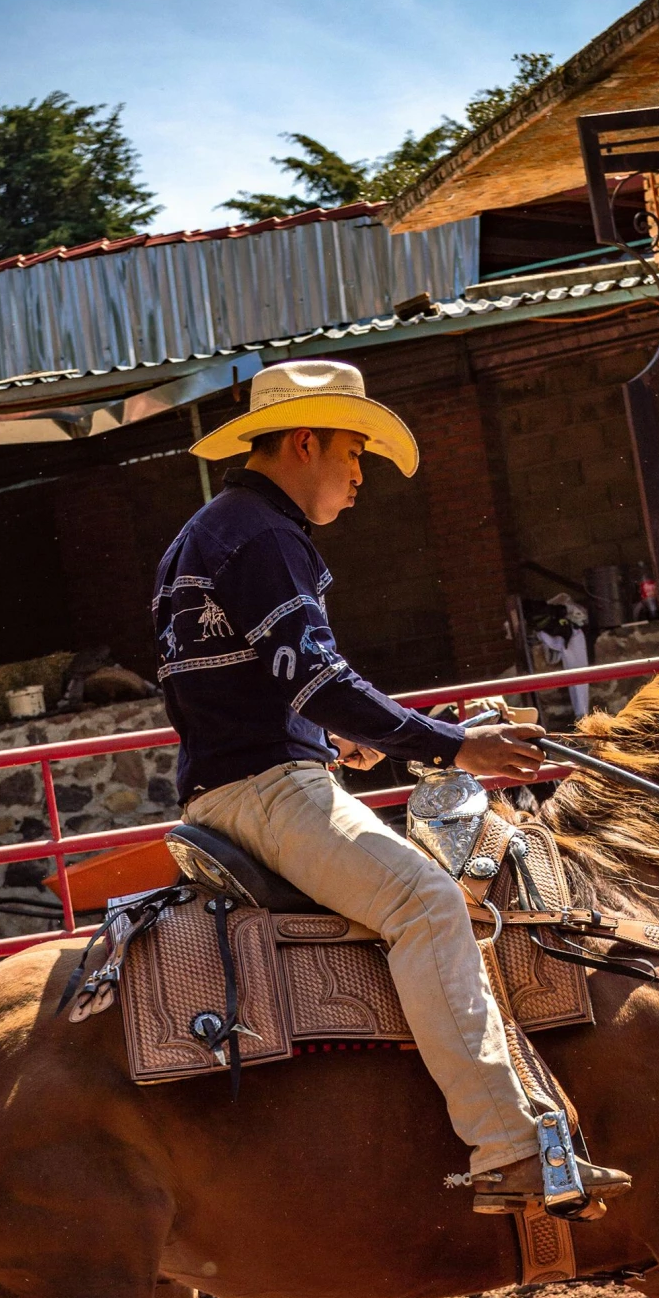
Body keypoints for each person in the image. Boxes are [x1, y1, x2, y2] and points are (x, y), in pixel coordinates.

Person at [153, 357, 631, 1219]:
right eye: (352, 454)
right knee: (426, 905)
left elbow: (247, 681)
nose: (358, 476)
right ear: (304, 441)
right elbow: (321, 675)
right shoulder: (266, 536)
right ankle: (507, 1148)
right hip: (265, 789)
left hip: (240, 779)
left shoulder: (212, 531)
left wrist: (328, 733)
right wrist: (455, 746)